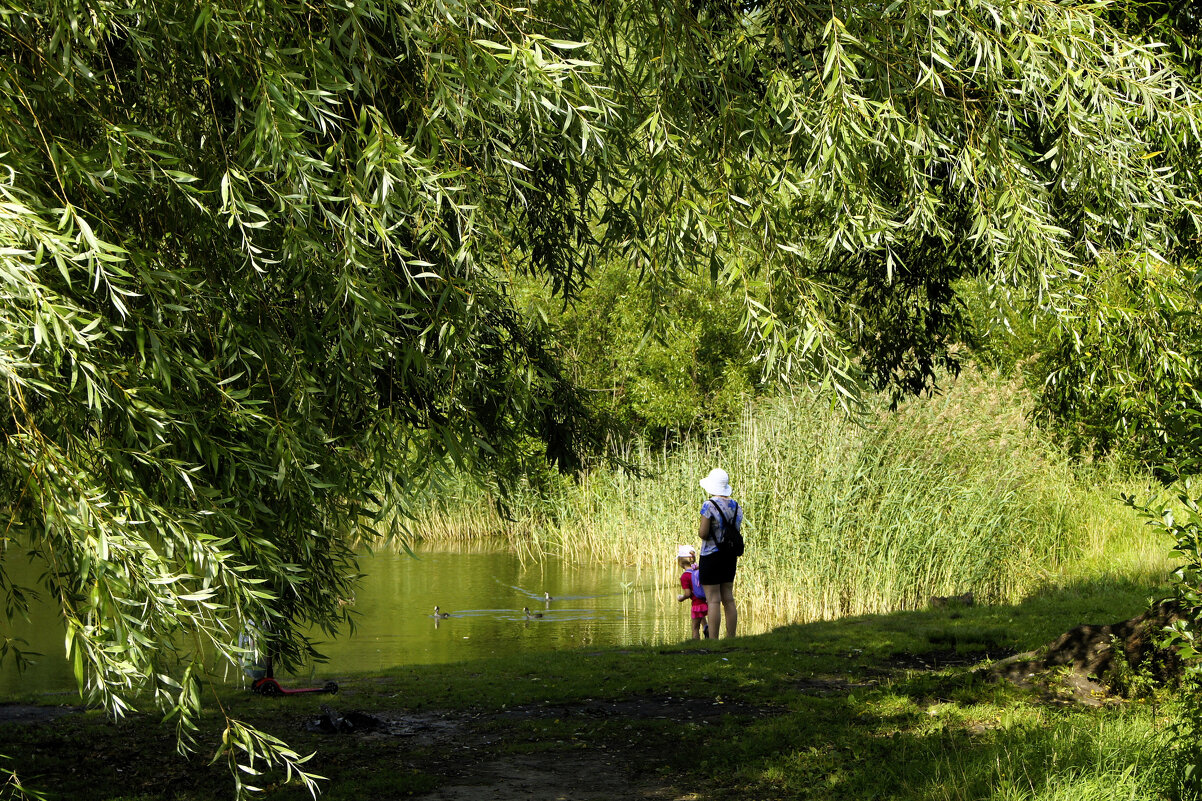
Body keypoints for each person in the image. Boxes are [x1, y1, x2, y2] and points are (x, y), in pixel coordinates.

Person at [697, 467, 742, 639]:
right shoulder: (736, 506)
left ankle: (713, 640)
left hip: (711, 556)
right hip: (729, 557)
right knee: (728, 598)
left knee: (713, 600)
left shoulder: (708, 505)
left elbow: (703, 533)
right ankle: (731, 637)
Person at [675, 545, 709, 640]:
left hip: (696, 605)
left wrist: (681, 598)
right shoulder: (698, 571)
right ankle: (706, 629)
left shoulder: (685, 576)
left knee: (695, 628)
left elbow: (688, 594)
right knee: (701, 618)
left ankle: (696, 645)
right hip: (706, 602)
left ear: (680, 562)